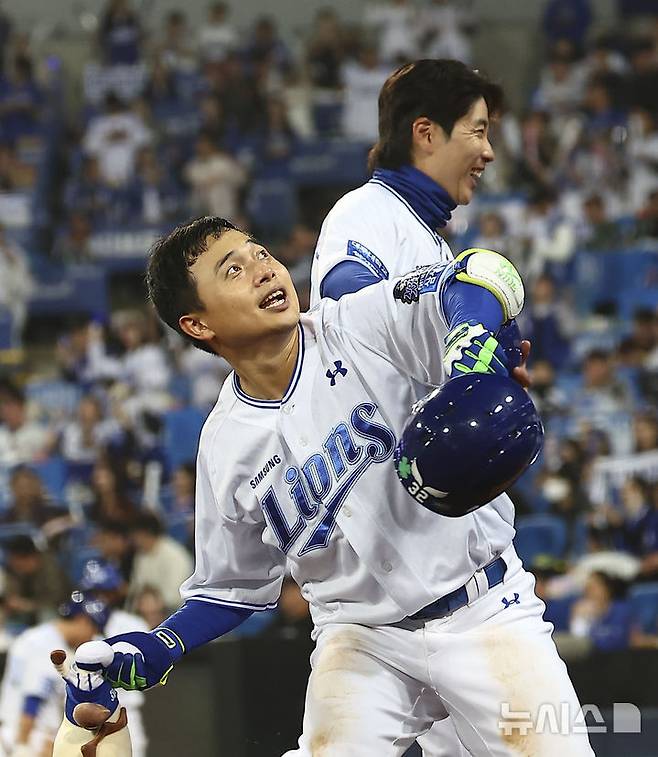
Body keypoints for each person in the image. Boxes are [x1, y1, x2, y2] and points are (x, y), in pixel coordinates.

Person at [77, 217, 593, 756]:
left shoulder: (358, 324)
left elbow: (483, 274)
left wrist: (472, 349)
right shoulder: (224, 446)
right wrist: (162, 647)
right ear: (199, 325)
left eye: (258, 252)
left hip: (483, 611)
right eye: (234, 270)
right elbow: (230, 587)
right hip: (362, 642)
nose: (263, 268)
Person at [309, 58, 503, 755]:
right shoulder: (367, 212)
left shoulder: (423, 232)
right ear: (426, 132)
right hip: (416, 578)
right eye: (476, 131)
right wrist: (449, 327)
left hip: (446, 558)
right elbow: (346, 302)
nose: (487, 150)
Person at [0, 591, 109, 756]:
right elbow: (33, 699)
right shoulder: (49, 647)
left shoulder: (34, 636)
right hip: (31, 735)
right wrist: (23, 744)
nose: (92, 637)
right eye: (93, 630)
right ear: (83, 621)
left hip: (12, 728)